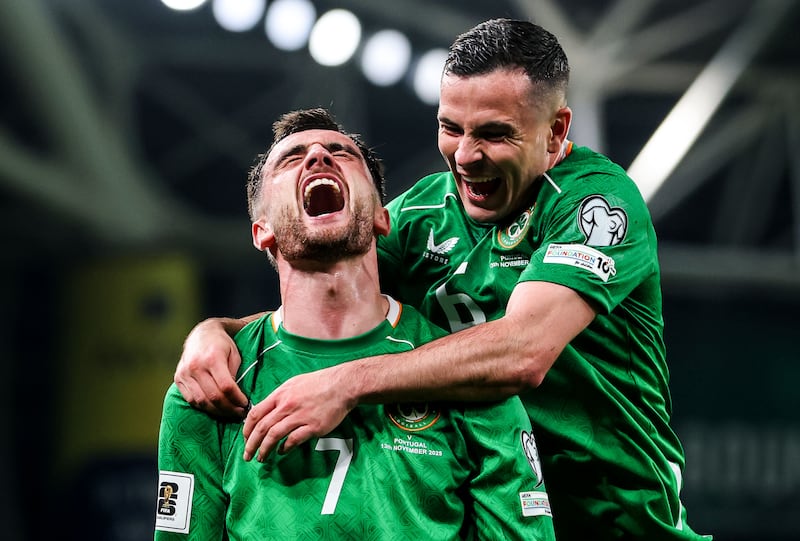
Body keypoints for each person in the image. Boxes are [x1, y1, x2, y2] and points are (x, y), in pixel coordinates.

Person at [175, 20, 712, 541]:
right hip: (490, 504)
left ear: (556, 131)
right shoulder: (423, 213)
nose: (466, 155)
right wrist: (216, 331)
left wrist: (346, 383)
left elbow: (521, 353)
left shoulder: (596, 203)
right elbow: (325, 282)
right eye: (451, 128)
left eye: (494, 134)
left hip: (613, 523)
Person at [155, 108, 556, 540]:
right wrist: (211, 328)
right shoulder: (213, 386)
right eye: (292, 159)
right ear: (262, 231)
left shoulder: (471, 379)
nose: (318, 159)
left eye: (341, 153)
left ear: (383, 218)